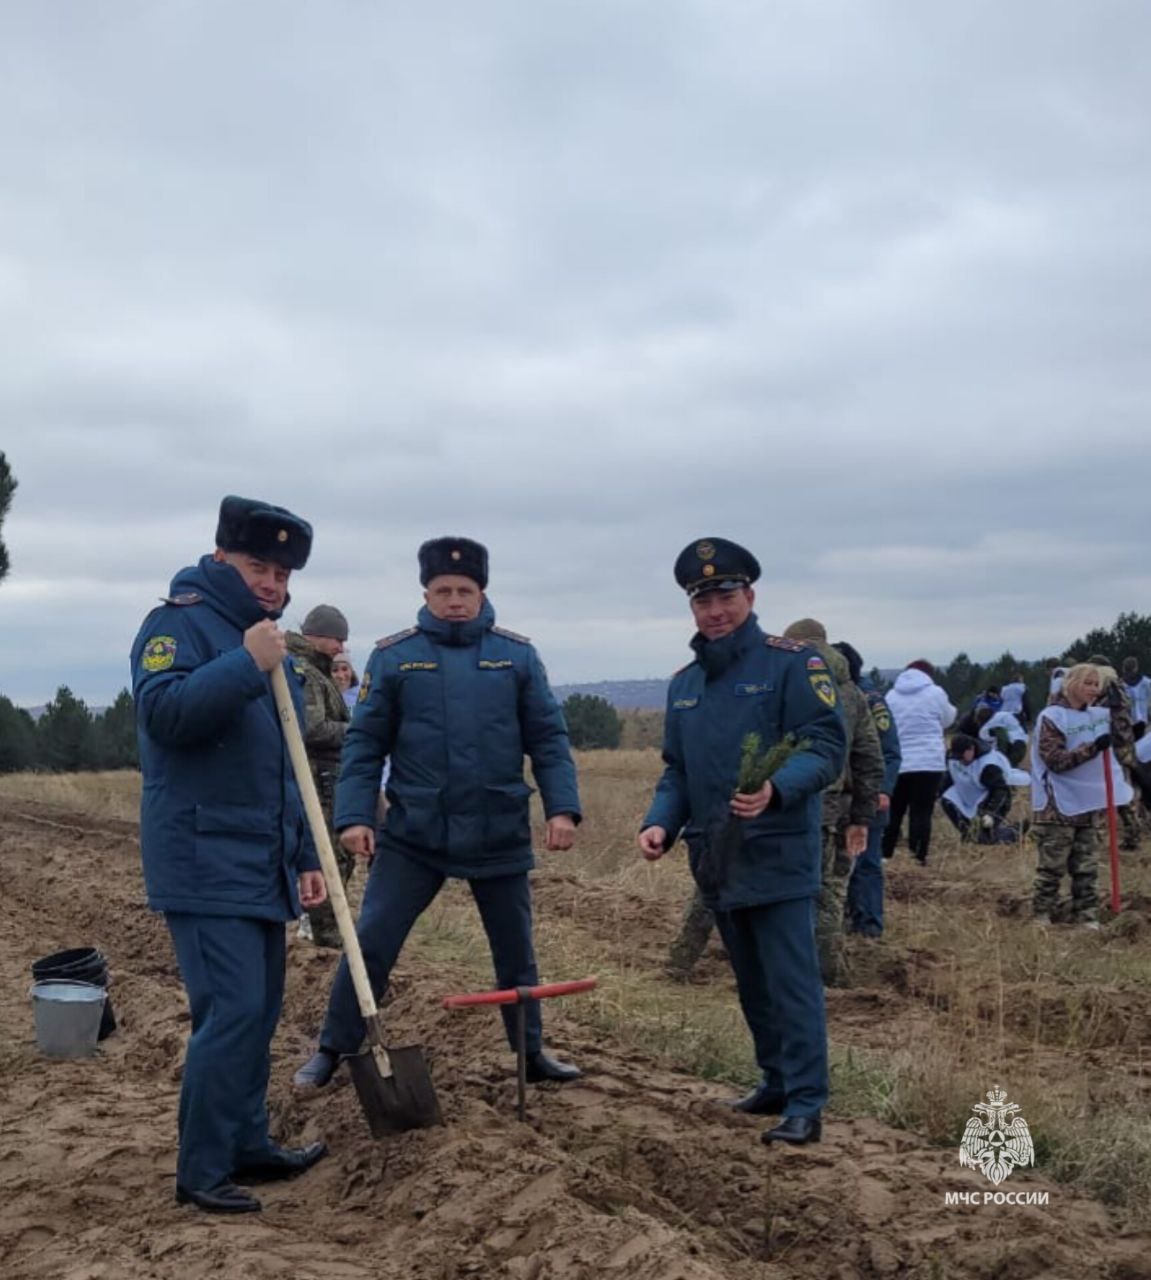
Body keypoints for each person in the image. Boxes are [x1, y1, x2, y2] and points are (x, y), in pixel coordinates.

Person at [294, 537, 583, 1090]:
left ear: (481, 593)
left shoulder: (517, 656)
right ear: (426, 592)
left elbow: (548, 738)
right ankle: (331, 1049)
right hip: (414, 834)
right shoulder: (396, 657)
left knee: (516, 952)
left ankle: (531, 1053)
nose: (454, 600)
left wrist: (562, 807)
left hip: (497, 829)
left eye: (465, 591)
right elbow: (364, 745)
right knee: (372, 941)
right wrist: (354, 817)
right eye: (443, 590)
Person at [131, 495, 328, 1215]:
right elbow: (164, 715)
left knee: (261, 1010)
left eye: (281, 572)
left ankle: (247, 1143)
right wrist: (245, 663)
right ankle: (202, 1169)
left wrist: (304, 851)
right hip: (201, 855)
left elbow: (280, 762)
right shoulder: (177, 624)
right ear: (220, 559)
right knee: (234, 1011)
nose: (273, 583)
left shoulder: (259, 635)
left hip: (258, 859)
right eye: (258, 566)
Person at [638, 538, 846, 1145]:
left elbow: (824, 746)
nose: (716, 611)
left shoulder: (791, 665)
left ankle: (807, 1101)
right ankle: (776, 1081)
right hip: (716, 855)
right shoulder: (684, 685)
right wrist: (660, 822)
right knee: (751, 980)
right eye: (703, 601)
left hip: (777, 848)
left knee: (790, 978)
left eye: (726, 596)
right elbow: (677, 770)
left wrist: (777, 789)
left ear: (749, 596)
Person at [782, 620, 882, 987]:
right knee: (832, 892)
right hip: (840, 808)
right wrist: (862, 817)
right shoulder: (852, 693)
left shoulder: (786, 683)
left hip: (790, 804)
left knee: (794, 893)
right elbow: (870, 758)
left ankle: (800, 973)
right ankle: (828, 973)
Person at [1031, 663, 1131, 927]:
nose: (1093, 689)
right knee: (1053, 867)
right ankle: (1041, 916)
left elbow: (1122, 738)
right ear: (1071, 684)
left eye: (1096, 684)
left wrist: (1119, 706)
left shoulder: (1096, 716)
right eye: (1087, 683)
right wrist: (1092, 749)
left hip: (1088, 804)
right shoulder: (1052, 717)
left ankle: (1087, 917)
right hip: (1057, 805)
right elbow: (1054, 759)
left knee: (1086, 866)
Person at [286, 605, 353, 949]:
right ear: (319, 636)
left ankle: (326, 930)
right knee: (328, 856)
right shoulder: (306, 673)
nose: (340, 648)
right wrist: (356, 729)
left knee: (337, 856)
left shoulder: (314, 670)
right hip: (318, 781)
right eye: (337, 640)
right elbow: (311, 728)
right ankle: (327, 936)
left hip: (328, 779)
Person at [837, 643, 902, 940]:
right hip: (839, 797)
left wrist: (882, 790)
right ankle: (847, 921)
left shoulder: (869, 700)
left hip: (868, 795)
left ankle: (868, 928)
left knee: (865, 864)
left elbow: (889, 752)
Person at [881, 660, 957, 865]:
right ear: (929, 674)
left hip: (899, 762)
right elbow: (949, 719)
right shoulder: (935, 692)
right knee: (921, 812)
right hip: (929, 762)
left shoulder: (891, 695)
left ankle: (885, 854)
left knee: (894, 810)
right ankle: (918, 857)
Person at [939, 734, 1024, 844]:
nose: (960, 760)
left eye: (962, 756)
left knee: (983, 838)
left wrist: (990, 813)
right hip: (966, 794)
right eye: (957, 757)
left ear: (971, 749)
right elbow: (948, 779)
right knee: (947, 799)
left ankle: (1014, 832)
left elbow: (1001, 791)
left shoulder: (988, 766)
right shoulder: (952, 757)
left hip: (989, 799)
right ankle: (968, 832)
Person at [1121, 657, 1150, 741]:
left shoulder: (1120, 683)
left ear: (1124, 668)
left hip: (1126, 718)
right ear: (1136, 668)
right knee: (1140, 742)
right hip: (1141, 717)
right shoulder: (1146, 681)